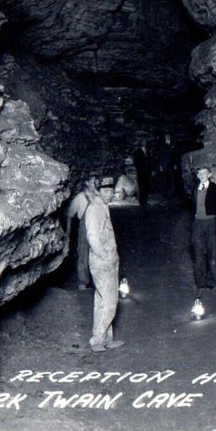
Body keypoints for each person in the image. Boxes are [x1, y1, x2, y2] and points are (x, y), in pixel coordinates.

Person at [81, 177, 125, 352]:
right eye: (106, 191)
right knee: (110, 301)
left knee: (102, 299)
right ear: (98, 191)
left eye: (111, 190)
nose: (109, 194)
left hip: (110, 260)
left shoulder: (103, 207)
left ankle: (106, 338)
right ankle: (97, 340)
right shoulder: (94, 209)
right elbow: (92, 237)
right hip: (102, 262)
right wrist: (104, 255)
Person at [190, 165, 216, 294]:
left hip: (211, 222)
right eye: (200, 173)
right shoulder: (195, 188)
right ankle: (200, 281)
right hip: (197, 223)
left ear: (209, 175)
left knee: (212, 253)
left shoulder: (215, 189)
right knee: (198, 253)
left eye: (204, 173)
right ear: (197, 175)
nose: (202, 175)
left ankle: (211, 281)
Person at [65, 187, 92, 289]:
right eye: (92, 182)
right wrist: (68, 232)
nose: (94, 184)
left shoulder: (99, 196)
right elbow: (69, 213)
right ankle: (83, 284)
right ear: (87, 183)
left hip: (96, 229)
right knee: (83, 255)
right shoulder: (80, 197)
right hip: (84, 230)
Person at [133, 141, 152, 205]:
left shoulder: (148, 151)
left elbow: (149, 161)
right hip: (141, 172)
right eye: (144, 142)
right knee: (141, 186)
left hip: (147, 172)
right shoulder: (137, 152)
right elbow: (136, 162)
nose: (145, 144)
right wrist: (139, 168)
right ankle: (141, 201)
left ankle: (145, 200)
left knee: (146, 186)